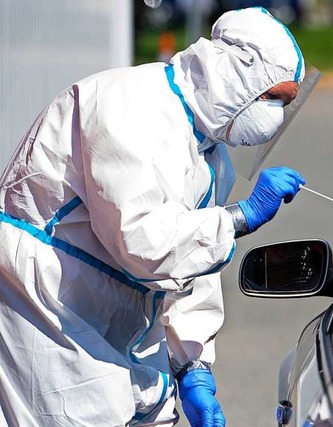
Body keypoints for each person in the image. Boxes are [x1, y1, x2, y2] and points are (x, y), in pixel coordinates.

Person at [0, 7, 313, 426]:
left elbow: (189, 267)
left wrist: (192, 364)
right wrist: (241, 216)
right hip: (46, 299)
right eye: (274, 98)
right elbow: (143, 243)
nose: (275, 115)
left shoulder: (211, 153)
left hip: (109, 309)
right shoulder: (130, 106)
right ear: (236, 74)